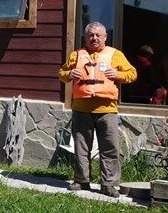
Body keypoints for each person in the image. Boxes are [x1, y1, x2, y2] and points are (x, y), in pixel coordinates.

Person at [58, 22, 136, 197]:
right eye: (90, 35)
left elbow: (132, 74)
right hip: (81, 109)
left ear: (105, 37)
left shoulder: (115, 55)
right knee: (81, 147)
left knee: (109, 148)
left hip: (107, 110)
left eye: (97, 35)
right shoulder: (76, 55)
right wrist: (69, 75)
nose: (94, 38)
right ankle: (81, 181)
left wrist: (118, 75)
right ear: (85, 38)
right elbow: (61, 74)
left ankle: (108, 184)